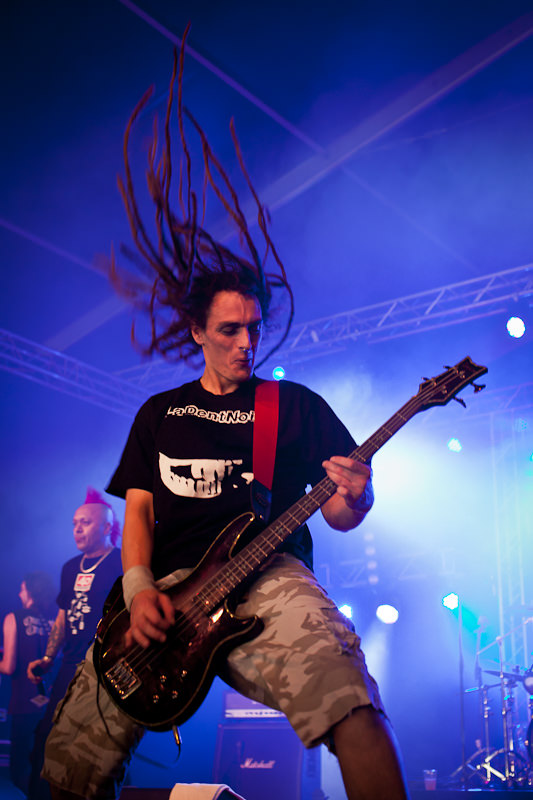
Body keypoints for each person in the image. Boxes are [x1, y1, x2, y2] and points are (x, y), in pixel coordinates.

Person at [42, 32, 410, 800]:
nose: (246, 343)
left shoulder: (292, 406)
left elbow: (340, 515)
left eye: (253, 329)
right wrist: (137, 588)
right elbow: (137, 510)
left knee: (350, 701)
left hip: (269, 578)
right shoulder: (161, 411)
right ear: (198, 332)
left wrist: (358, 494)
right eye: (229, 330)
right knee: (69, 766)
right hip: (164, 588)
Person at [27, 489, 122, 800]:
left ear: (107, 527)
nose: (77, 529)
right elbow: (62, 618)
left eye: (85, 523)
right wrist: (48, 658)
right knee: (46, 738)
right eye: (74, 523)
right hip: (70, 666)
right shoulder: (70, 567)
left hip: (105, 668)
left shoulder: (121, 562)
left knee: (97, 751)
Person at [0, 572, 56, 795]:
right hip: (51, 704)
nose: (19, 593)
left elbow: (9, 667)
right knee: (44, 767)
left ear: (31, 592)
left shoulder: (14, 617)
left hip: (23, 703)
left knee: (19, 769)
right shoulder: (55, 620)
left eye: (22, 589)